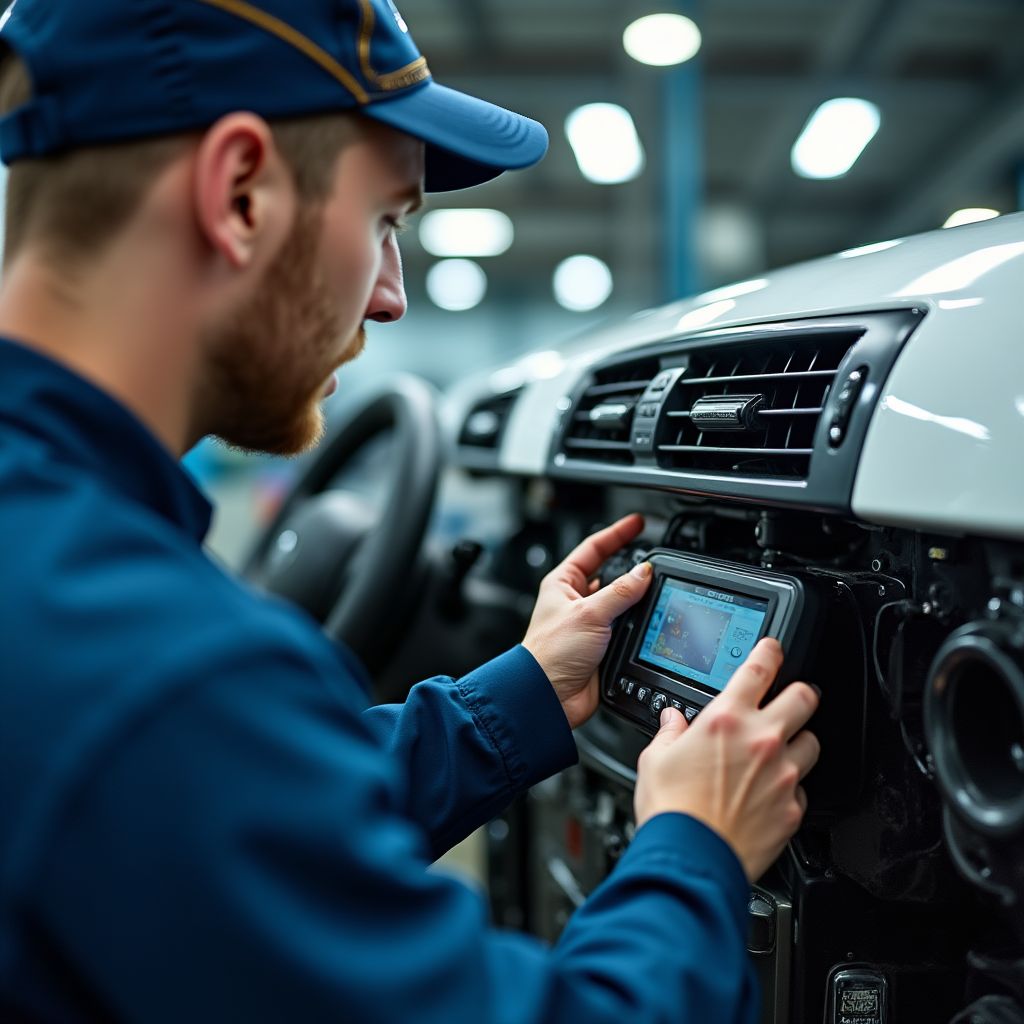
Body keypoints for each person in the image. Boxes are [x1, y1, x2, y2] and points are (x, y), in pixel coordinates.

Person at [0, 2, 820, 1021]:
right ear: (240, 191)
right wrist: (694, 846)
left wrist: (521, 695)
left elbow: (203, 825)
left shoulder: (60, 585)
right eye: (385, 220)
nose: (389, 296)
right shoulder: (156, 670)